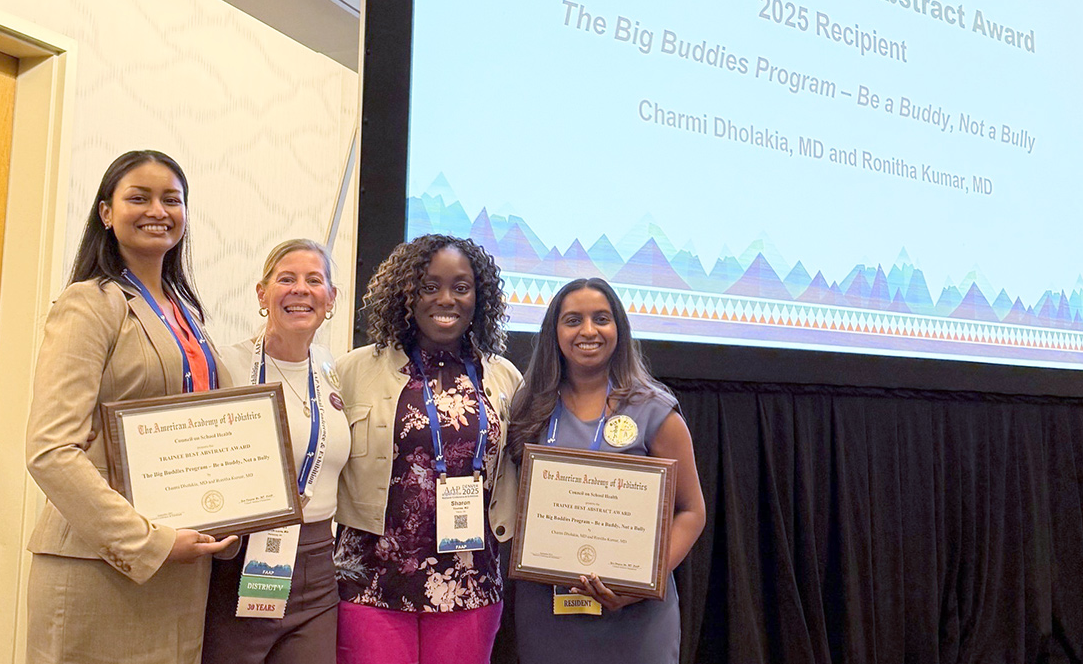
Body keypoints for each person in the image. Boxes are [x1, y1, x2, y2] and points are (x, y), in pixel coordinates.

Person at [25, 150, 236, 664]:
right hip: (103, 564)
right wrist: (148, 542)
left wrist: (230, 515)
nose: (157, 211)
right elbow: (50, 450)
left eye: (172, 199)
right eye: (138, 198)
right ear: (106, 212)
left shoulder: (185, 312)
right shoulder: (90, 302)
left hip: (182, 566)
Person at [334, 234, 522, 664]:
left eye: (460, 287)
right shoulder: (354, 370)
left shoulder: (504, 378)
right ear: (405, 292)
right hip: (370, 583)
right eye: (429, 285)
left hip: (469, 584)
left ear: (479, 296)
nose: (445, 299)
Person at [506, 277, 706, 664]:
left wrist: (640, 585)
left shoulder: (654, 410)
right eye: (573, 320)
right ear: (554, 332)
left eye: (601, 318)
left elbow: (692, 511)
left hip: (634, 617)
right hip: (547, 615)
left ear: (619, 329)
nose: (588, 331)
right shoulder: (528, 409)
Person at [202, 239, 351, 663]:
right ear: (262, 293)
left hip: (318, 569)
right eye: (286, 279)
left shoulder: (329, 369)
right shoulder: (224, 367)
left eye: (314, 280)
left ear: (331, 298)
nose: (300, 290)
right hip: (240, 564)